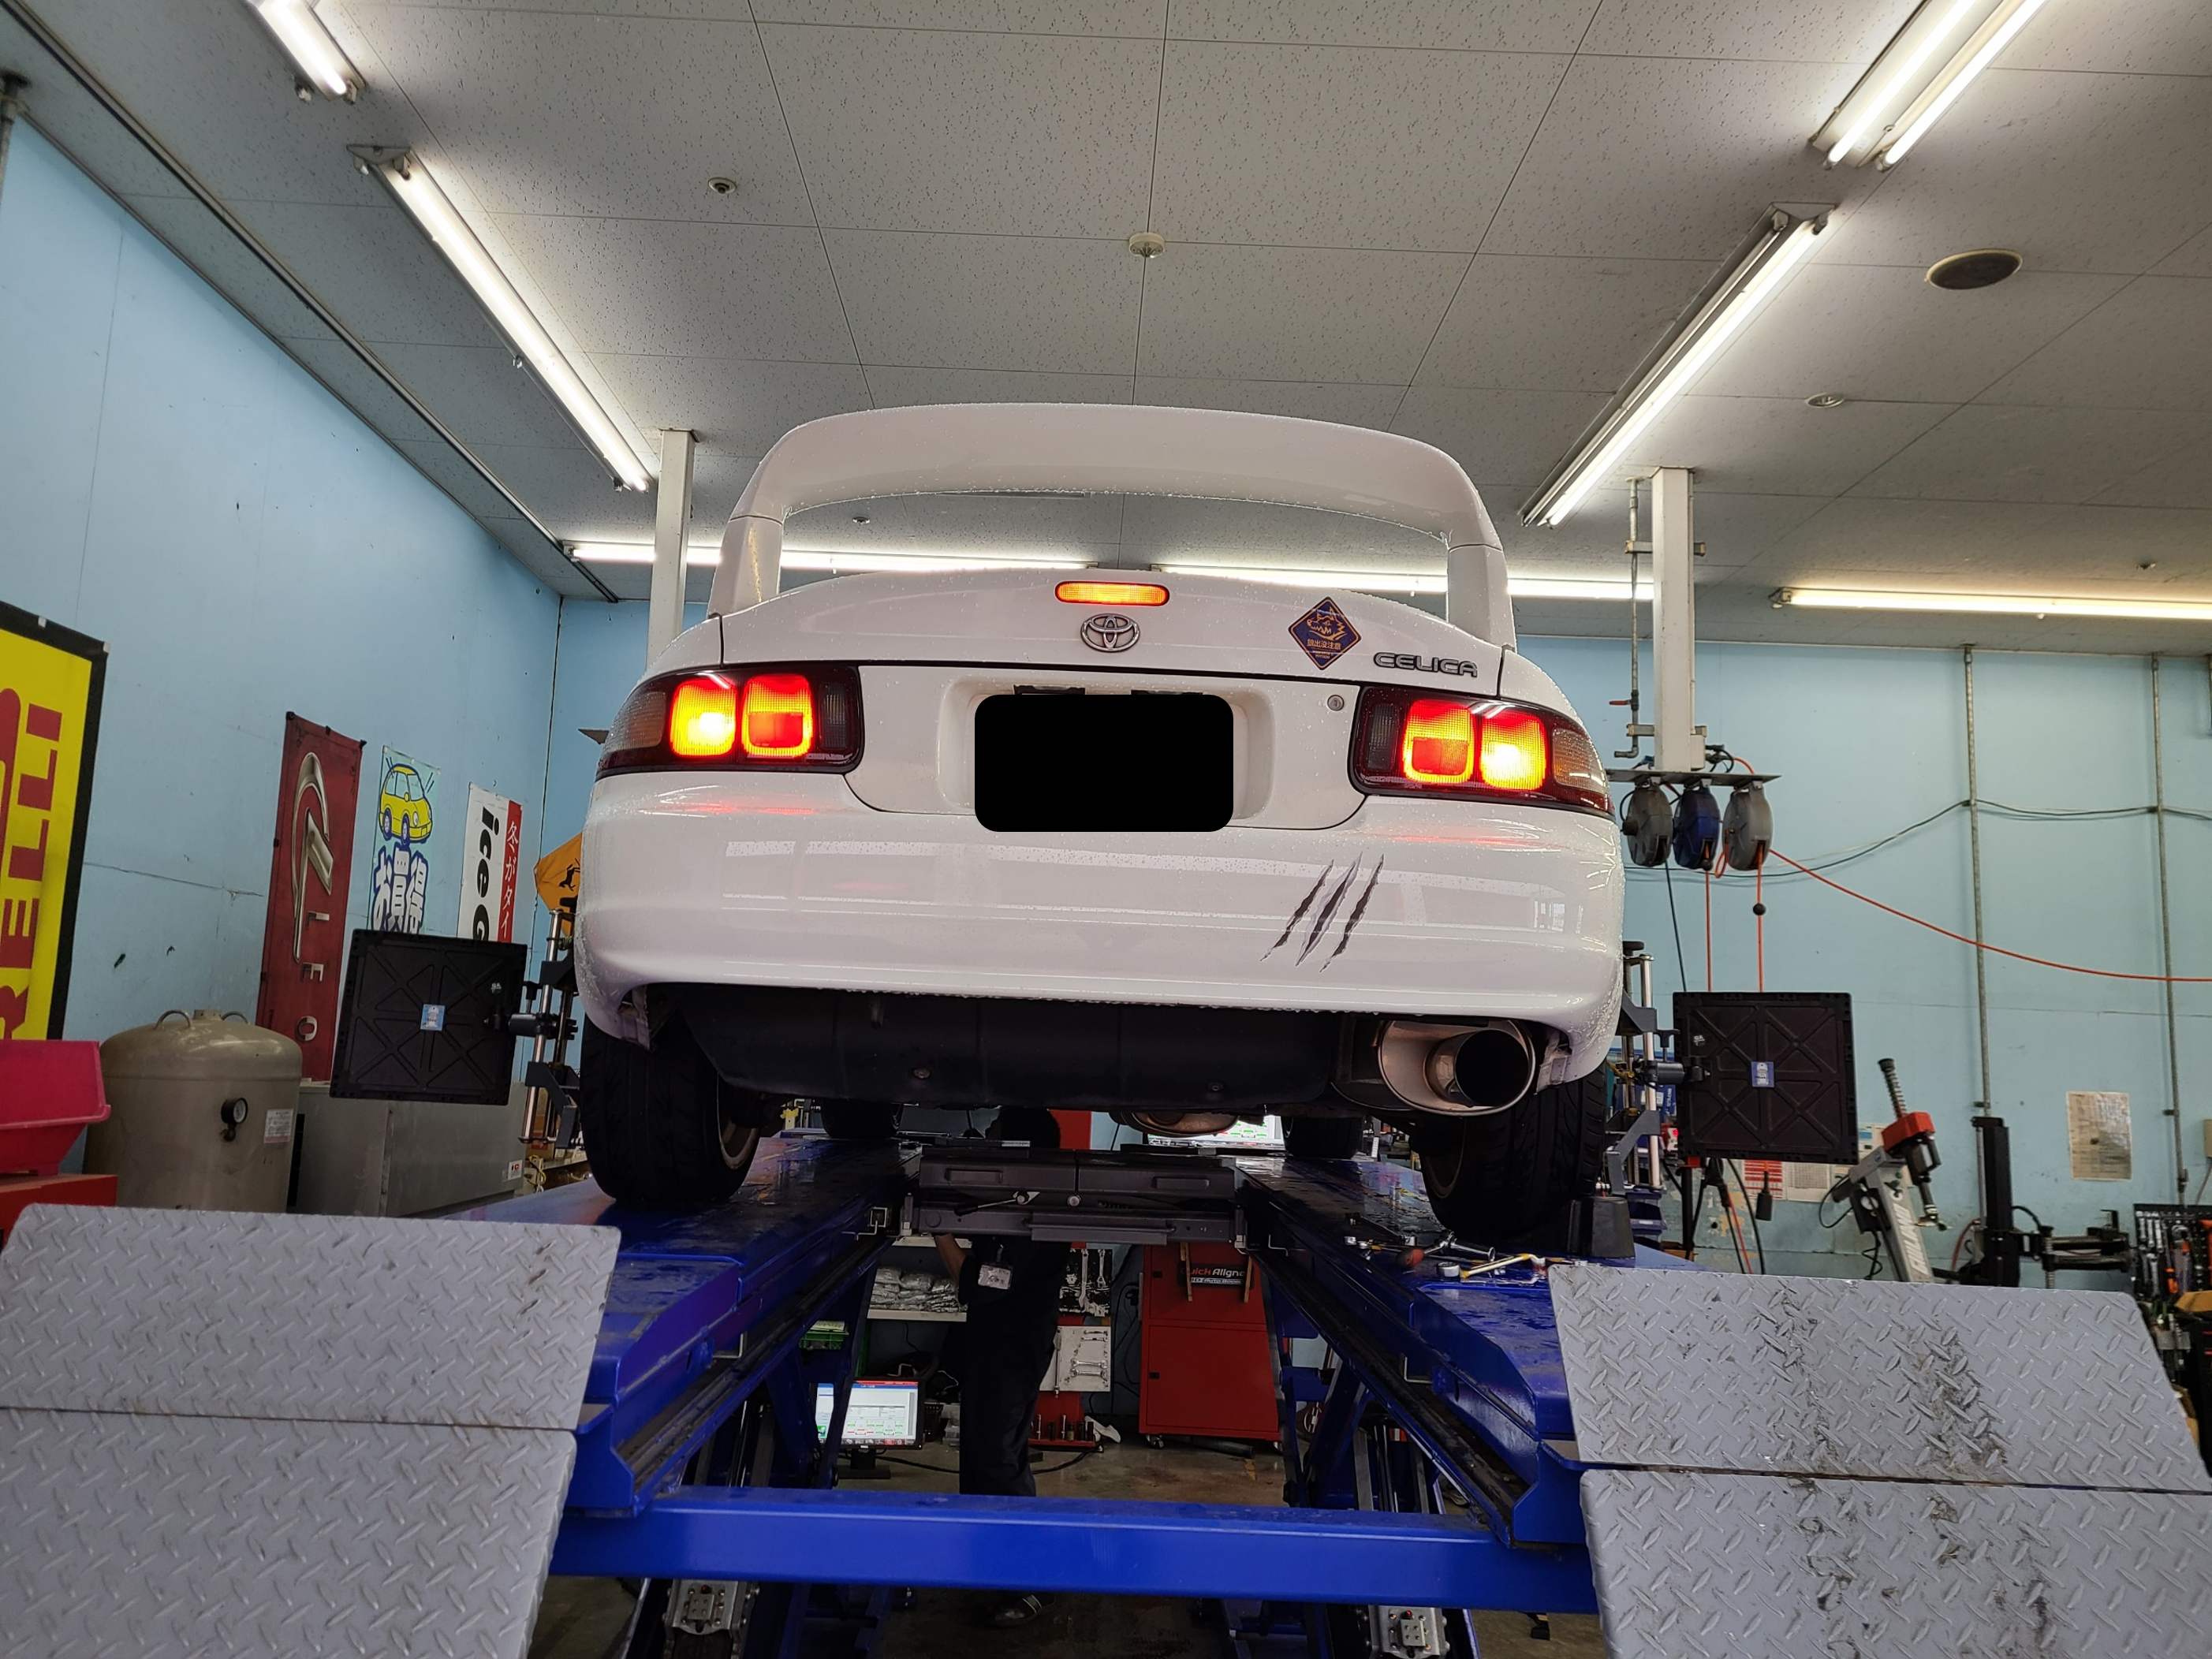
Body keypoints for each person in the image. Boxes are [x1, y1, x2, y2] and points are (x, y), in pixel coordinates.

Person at [933, 1106, 1072, 1628]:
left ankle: (1030, 1580)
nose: (986, 1140)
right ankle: (992, 1559)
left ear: (1018, 1146)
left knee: (995, 1456)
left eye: (995, 1135)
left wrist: (938, 1230)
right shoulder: (1023, 1197)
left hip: (1010, 1346)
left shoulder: (1027, 1214)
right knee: (987, 1454)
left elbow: (980, 1283)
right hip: (1004, 1342)